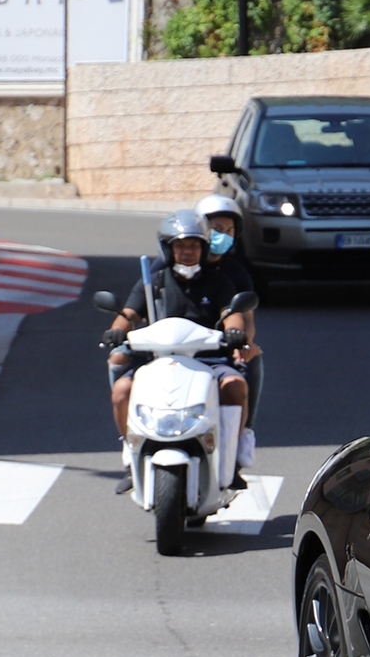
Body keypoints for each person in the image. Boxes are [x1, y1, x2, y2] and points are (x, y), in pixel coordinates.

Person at [105, 211, 256, 488]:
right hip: (157, 361)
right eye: (180, 246)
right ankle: (132, 451)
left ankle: (230, 461)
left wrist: (234, 331)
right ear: (169, 249)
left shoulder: (219, 282)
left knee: (235, 385)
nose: (187, 252)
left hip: (210, 360)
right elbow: (129, 313)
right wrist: (117, 329)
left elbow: (230, 313)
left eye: (194, 246)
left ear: (203, 248)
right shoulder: (154, 281)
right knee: (121, 391)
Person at [196, 192, 262, 466]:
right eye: (216, 229)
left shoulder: (235, 274)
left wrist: (243, 344)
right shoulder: (170, 266)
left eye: (229, 230)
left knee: (252, 360)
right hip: (173, 347)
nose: (222, 235)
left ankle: (242, 433)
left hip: (220, 347)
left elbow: (245, 318)